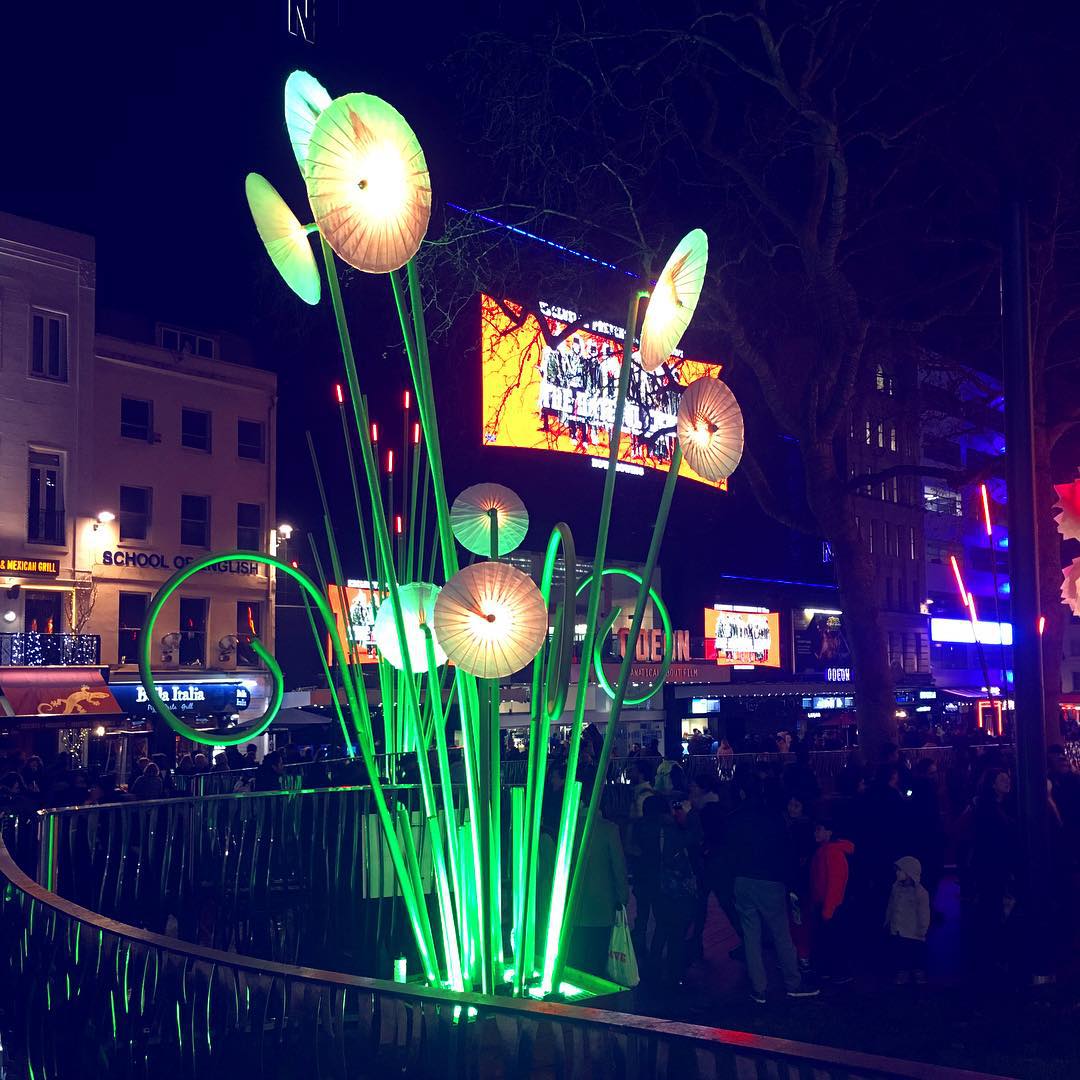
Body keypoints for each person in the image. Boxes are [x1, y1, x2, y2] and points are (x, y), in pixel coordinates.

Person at [727, 772, 819, 1002]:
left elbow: (729, 851)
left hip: (743, 879)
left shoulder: (735, 817)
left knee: (751, 935)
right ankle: (793, 983)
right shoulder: (774, 818)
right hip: (770, 881)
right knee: (781, 934)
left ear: (742, 793)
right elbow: (785, 851)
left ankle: (759, 988)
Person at [570, 799, 630, 979]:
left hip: (574, 904)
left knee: (577, 955)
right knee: (598, 955)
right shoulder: (609, 829)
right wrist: (622, 897)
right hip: (601, 904)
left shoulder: (570, 827)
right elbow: (618, 866)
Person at [649, 797, 699, 987]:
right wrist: (687, 815)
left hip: (657, 885)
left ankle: (653, 969)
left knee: (661, 928)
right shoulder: (674, 831)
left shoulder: (647, 827)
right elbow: (693, 837)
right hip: (675, 889)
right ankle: (674, 973)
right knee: (676, 933)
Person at [809, 819, 855, 980]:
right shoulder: (825, 850)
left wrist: (829, 908)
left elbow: (836, 882)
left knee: (834, 939)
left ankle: (839, 972)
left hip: (832, 905)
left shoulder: (832, 852)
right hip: (826, 903)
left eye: (819, 829)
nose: (815, 833)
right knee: (829, 939)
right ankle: (831, 970)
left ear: (829, 832)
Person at [885, 856, 931, 984]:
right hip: (899, 929)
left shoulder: (920, 893)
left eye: (900, 870)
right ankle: (903, 973)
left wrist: (923, 928)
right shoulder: (895, 888)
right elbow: (891, 905)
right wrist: (888, 920)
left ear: (909, 873)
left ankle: (918, 972)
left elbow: (924, 912)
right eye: (897, 870)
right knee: (901, 953)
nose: (897, 873)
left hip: (914, 931)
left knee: (916, 953)